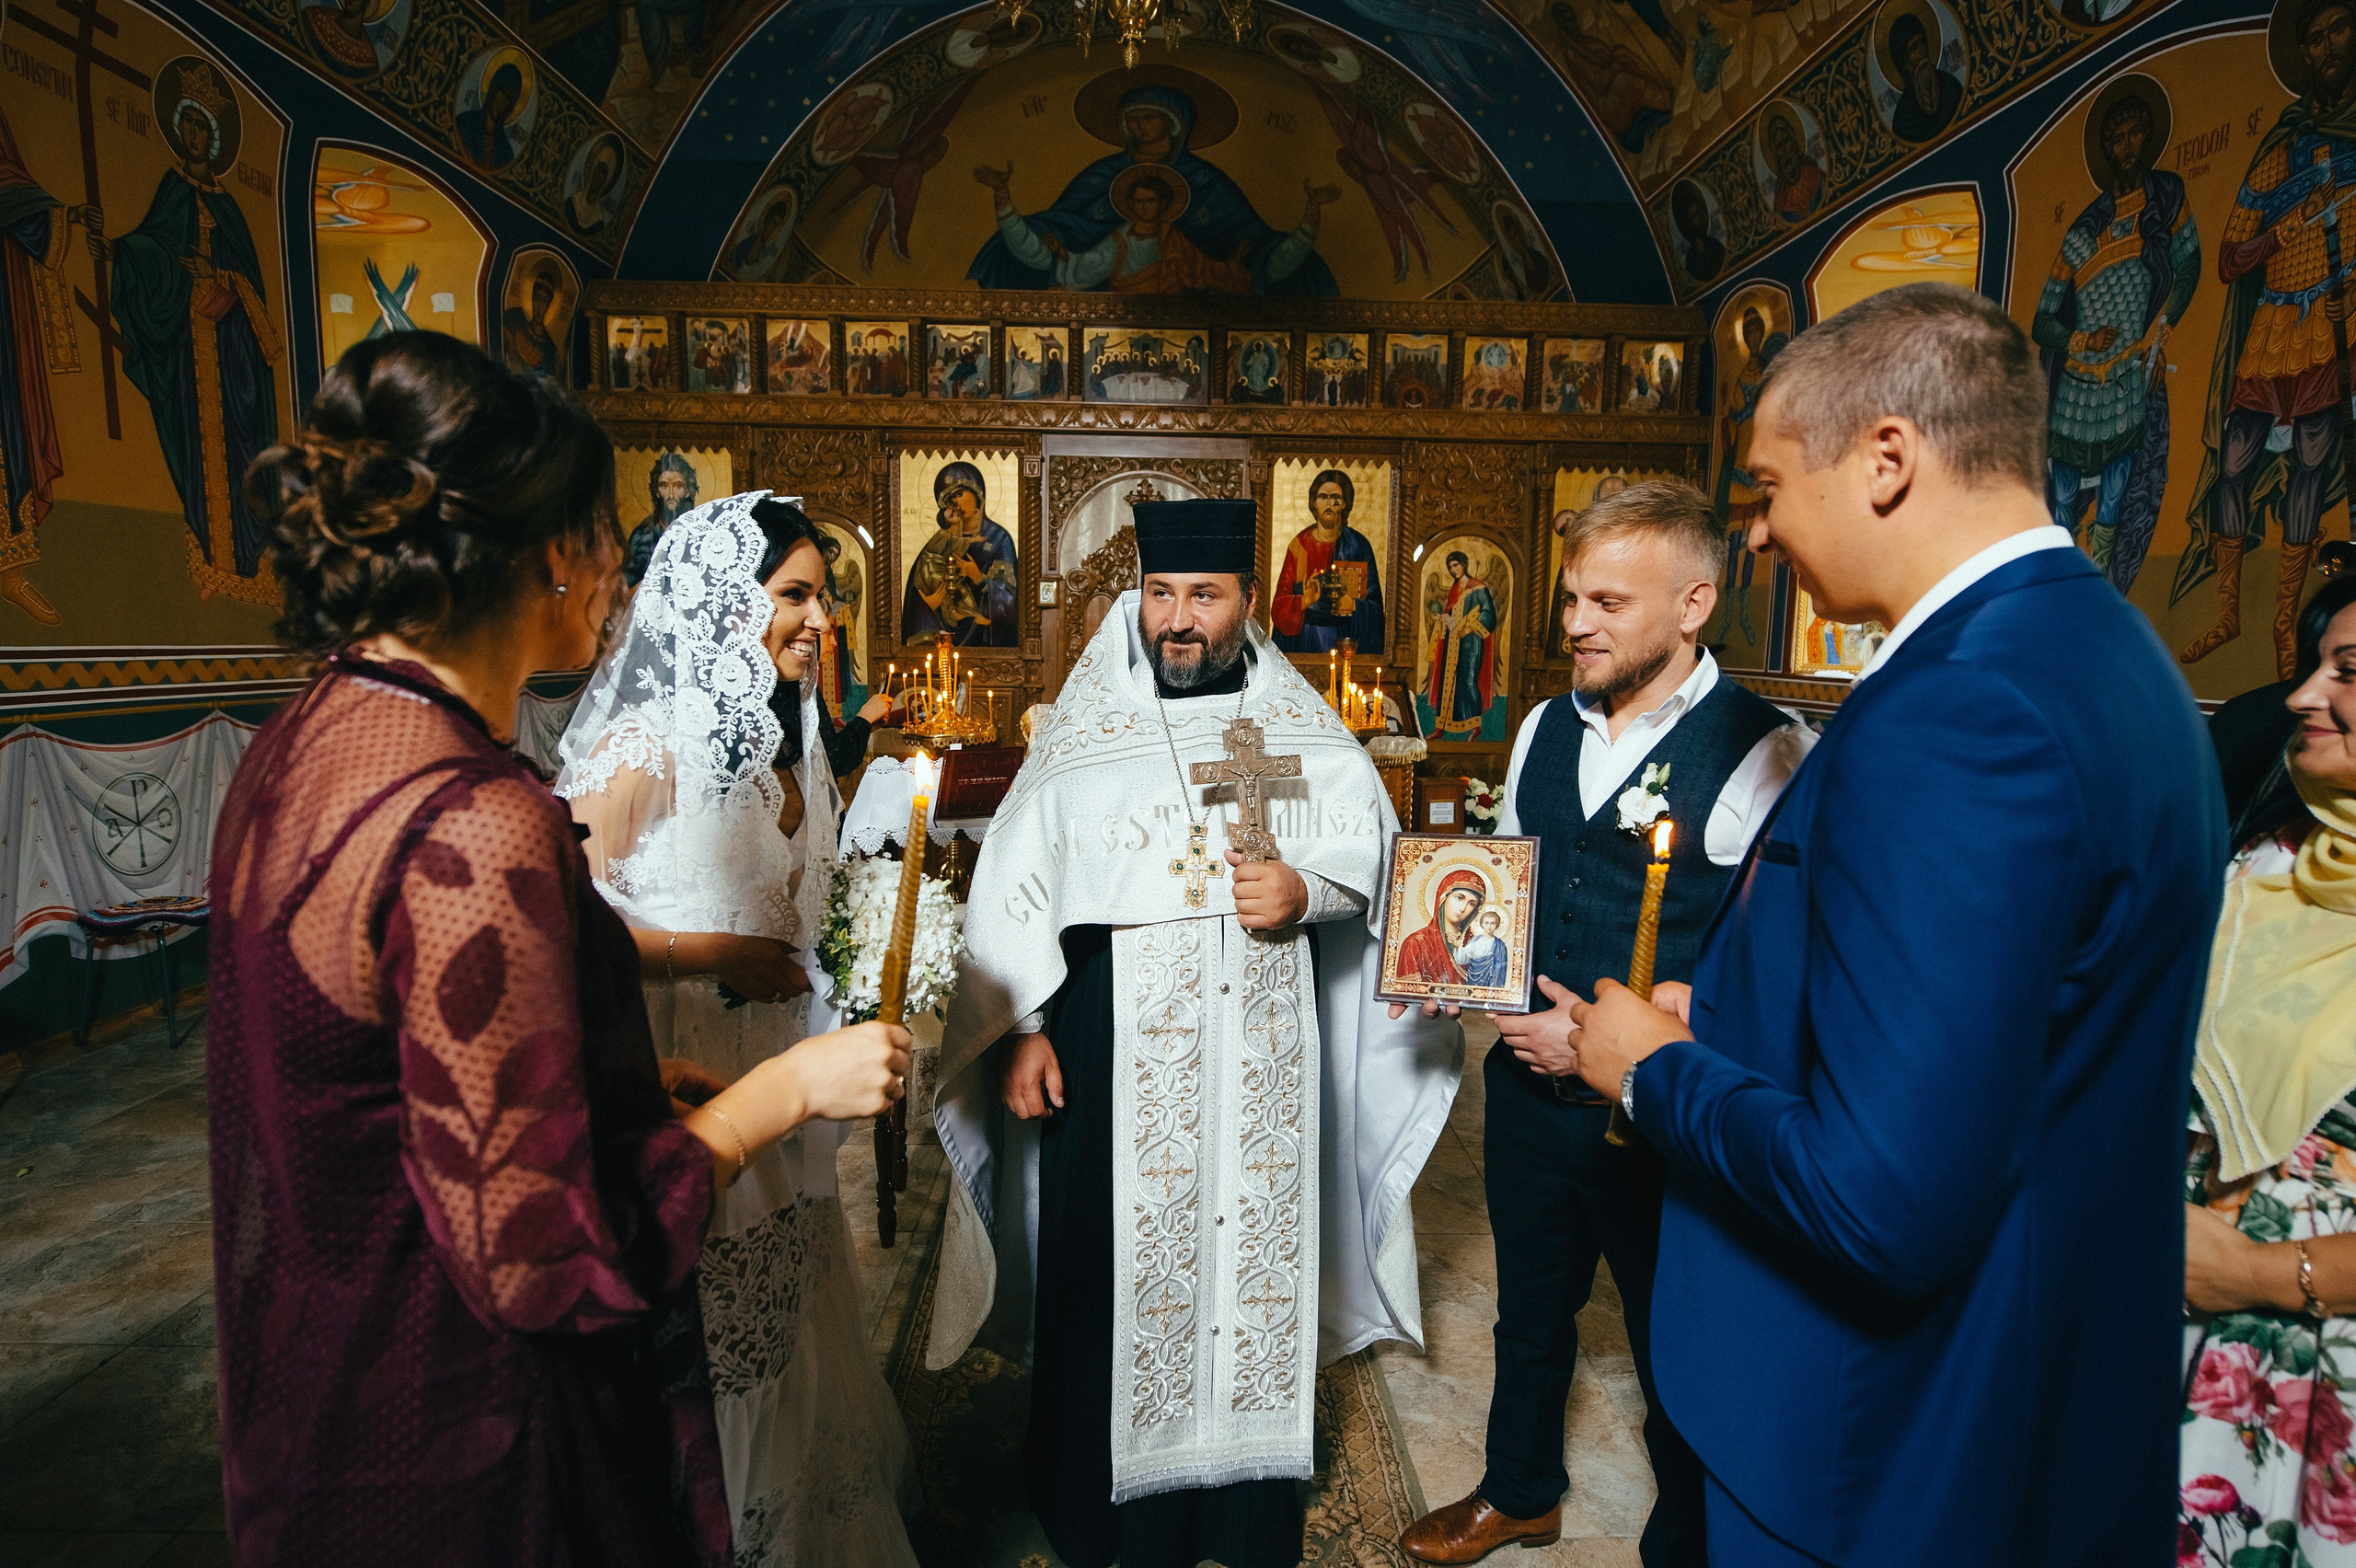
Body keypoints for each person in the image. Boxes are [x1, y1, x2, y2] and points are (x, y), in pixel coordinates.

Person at [210, 332, 910, 1565]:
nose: (620, 586)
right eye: (606, 542)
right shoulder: (476, 825)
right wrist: (780, 1095)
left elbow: (403, 1066)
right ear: (554, 555)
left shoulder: (304, 740)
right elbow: (545, 1262)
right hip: (464, 1433)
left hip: (319, 1376)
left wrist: (618, 1087)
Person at [1562, 283, 2223, 1565]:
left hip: (1875, 1448)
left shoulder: (1959, 714)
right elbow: (1997, 1033)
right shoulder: (2111, 656)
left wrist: (1653, 1069)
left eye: (1763, 488)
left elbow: (1883, 1200)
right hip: (2031, 1389)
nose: (1752, 536)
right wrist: (1747, 1017)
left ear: (1885, 461)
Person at [929, 498, 1461, 1568]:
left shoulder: (1302, 728)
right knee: (1108, 1261)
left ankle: (1238, 1507)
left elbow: (1374, 859)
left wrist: (1308, 888)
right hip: (1111, 1048)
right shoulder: (1084, 731)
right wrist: (1025, 1027)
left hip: (1264, 1052)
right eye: (1161, 594)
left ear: (1247, 605)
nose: (1177, 619)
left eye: (1203, 597)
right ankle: (1101, 1506)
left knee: (1253, 1254)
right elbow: (1019, 892)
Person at [1401, 478, 1810, 1568]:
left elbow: (1778, 959)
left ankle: (1692, 1539)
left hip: (1664, 1114)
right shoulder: (1541, 722)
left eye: (1608, 603)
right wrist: (1452, 965)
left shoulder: (1768, 750)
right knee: (1528, 1311)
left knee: (1674, 1334)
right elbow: (1512, 888)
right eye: (1571, 597)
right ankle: (1518, 1489)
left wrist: (1668, 1017)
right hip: (1528, 1086)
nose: (1575, 623)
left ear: (1693, 604)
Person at [557, 490, 922, 1566]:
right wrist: (704, 954)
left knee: (791, 1308)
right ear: (723, 604)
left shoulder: (790, 745)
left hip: (777, 1080)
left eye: (825, 596)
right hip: (683, 1082)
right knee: (716, 1343)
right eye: (793, 595)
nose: (819, 619)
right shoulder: (644, 747)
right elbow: (559, 933)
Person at [2181, 569, 2356, 1567]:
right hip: (2165, 1322)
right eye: (2313, 665)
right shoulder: (2262, 861)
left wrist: (2257, 1270)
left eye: (2348, 672)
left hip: (2315, 1365)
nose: (2299, 696)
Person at [2183, 0, 2356, 674]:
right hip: (2271, 327)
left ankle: (2286, 622)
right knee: (2233, 465)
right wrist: (2284, 231)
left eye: (2338, 29)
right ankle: (2229, 612)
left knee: (2312, 466)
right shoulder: (2279, 149)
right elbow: (2230, 259)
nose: (2326, 46)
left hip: (2330, 324)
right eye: (2314, 38)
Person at [2030, 85, 2198, 594]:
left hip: (2130, 369)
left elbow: (2188, 265)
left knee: (2121, 491)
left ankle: (2101, 590)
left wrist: (2161, 327)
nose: (2128, 148)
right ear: (2107, 152)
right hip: (2079, 384)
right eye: (2118, 139)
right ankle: (2054, 586)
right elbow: (2042, 320)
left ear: (2148, 139)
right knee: (2061, 498)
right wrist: (2079, 340)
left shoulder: (2166, 199)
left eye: (2135, 136)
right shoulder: (2083, 231)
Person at [966, 85, 1340, 295]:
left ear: (1173, 124)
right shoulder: (1102, 178)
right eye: (1131, 120)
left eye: (1147, 117)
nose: (1137, 127)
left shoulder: (1208, 183)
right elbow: (1055, 246)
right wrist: (1005, 201)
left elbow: (1263, 258)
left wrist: (1309, 216)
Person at [901, 459, 1017, 646]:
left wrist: (980, 578)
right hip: (941, 646)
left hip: (985, 645)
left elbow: (1010, 600)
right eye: (948, 500)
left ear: (978, 492)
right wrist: (927, 605)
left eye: (959, 493)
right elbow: (917, 595)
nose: (955, 502)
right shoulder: (938, 543)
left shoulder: (998, 539)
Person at [1272, 467, 1387, 654]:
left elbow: (1375, 608)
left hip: (1345, 638)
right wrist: (1304, 600)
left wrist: (1354, 605)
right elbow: (1279, 606)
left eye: (1336, 498)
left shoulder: (1359, 546)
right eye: (1323, 497)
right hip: (1305, 639)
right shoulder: (1299, 546)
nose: (1329, 503)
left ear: (1344, 504)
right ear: (1314, 502)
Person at [1424, 550, 1498, 738]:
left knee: (1468, 679)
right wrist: (1442, 618)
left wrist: (1472, 628)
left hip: (1471, 642)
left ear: (1464, 564)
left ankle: (1475, 727)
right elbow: (1452, 616)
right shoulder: (1454, 589)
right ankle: (1440, 728)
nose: (1453, 569)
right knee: (1446, 680)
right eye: (1450, 567)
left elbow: (1489, 613)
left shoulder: (1479, 587)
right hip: (1452, 642)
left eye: (1455, 565)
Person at [1397, 866, 1486, 984]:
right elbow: (1406, 992)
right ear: (1443, 897)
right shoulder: (1416, 943)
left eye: (1471, 904)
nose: (1463, 908)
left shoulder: (1475, 946)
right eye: (1459, 898)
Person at [1885, 14, 1961, 141]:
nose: (1922, 50)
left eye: (1923, 43)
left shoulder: (1949, 84)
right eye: (1914, 48)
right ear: (1905, 63)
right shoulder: (1903, 116)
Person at [628, 453, 698, 587]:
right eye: (664, 486)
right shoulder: (642, 535)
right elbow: (628, 582)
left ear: (688, 491)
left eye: (678, 486)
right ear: (657, 491)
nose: (671, 494)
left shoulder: (697, 533)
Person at [1461, 908, 1508, 988]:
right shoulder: (1475, 941)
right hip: (1474, 978)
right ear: (1481, 924)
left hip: (1491, 982)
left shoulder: (1500, 945)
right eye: (1486, 923)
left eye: (1492, 923)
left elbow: (1502, 968)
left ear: (1497, 925)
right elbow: (1463, 958)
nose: (1489, 926)